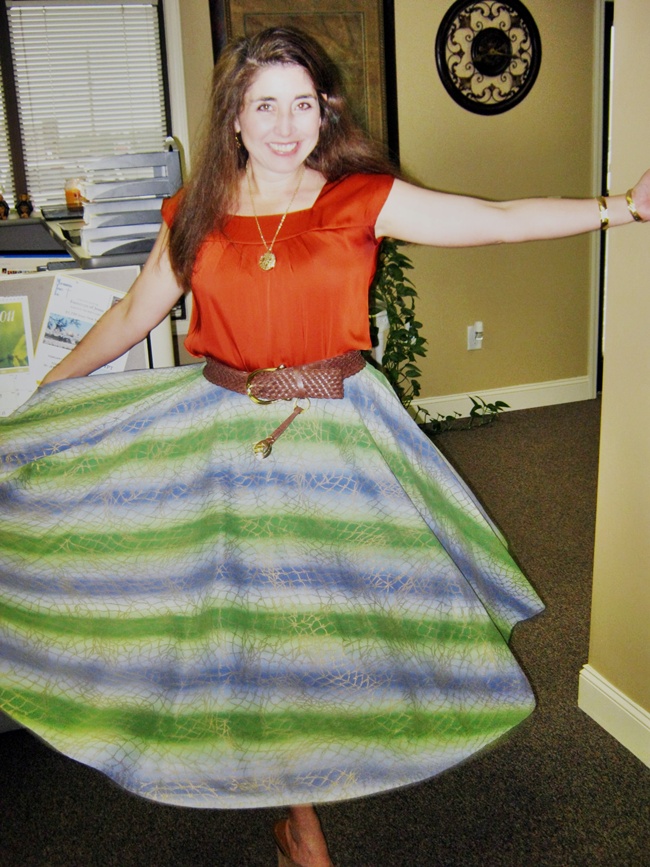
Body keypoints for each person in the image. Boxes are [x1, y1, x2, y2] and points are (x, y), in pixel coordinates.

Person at [0, 26, 647, 867]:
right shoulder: (194, 211)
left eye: (301, 103)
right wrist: (46, 395)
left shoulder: (360, 199)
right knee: (257, 622)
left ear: (324, 111)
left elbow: (494, 221)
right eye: (264, 104)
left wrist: (621, 207)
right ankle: (299, 816)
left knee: (349, 606)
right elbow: (131, 314)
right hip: (228, 439)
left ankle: (336, 749)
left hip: (340, 435)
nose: (284, 125)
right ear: (234, 116)